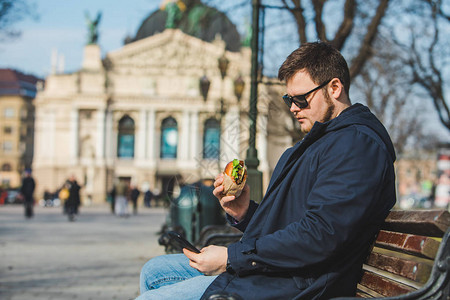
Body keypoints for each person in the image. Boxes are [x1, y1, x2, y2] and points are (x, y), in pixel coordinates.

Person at [137, 41, 397, 299]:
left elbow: (321, 236)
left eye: (301, 99)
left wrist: (231, 257)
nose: (293, 107)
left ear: (335, 88)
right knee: (153, 271)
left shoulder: (356, 144)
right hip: (278, 273)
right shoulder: (322, 142)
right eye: (288, 99)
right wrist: (245, 212)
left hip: (296, 285)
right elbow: (293, 225)